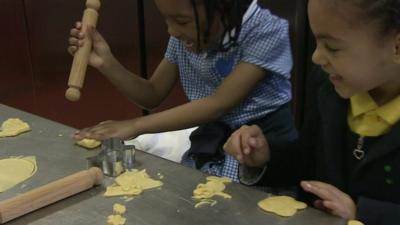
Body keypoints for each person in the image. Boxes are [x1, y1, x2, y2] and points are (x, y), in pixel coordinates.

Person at [68, 0, 297, 182]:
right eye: (167, 19)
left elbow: (218, 104)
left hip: (262, 150)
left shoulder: (266, 31)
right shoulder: (184, 36)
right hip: (210, 143)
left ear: (223, 6)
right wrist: (106, 63)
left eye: (181, 21)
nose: (172, 30)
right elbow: (152, 94)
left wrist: (134, 125)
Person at [223, 0, 400, 223]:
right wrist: (266, 157)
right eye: (317, 42)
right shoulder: (328, 89)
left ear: (397, 47)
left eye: (333, 48)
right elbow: (307, 163)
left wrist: (361, 213)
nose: (316, 57)